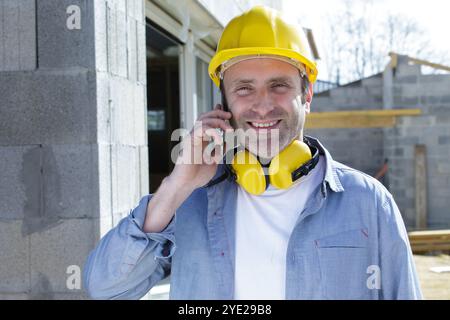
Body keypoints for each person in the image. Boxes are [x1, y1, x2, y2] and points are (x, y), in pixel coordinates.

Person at [83, 5, 422, 300]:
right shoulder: (189, 201)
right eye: (244, 88)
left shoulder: (368, 203)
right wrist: (175, 186)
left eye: (279, 85)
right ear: (224, 104)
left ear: (307, 96)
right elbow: (106, 288)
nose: (262, 105)